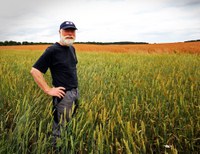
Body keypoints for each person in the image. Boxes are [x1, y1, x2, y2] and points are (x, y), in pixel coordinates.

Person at [30, 21, 79, 148]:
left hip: (75, 93)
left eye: (72, 31)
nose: (69, 34)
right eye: (66, 31)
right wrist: (48, 89)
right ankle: (57, 149)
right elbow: (35, 71)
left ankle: (67, 146)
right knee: (60, 127)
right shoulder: (52, 50)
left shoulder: (72, 48)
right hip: (63, 96)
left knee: (70, 124)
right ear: (59, 32)